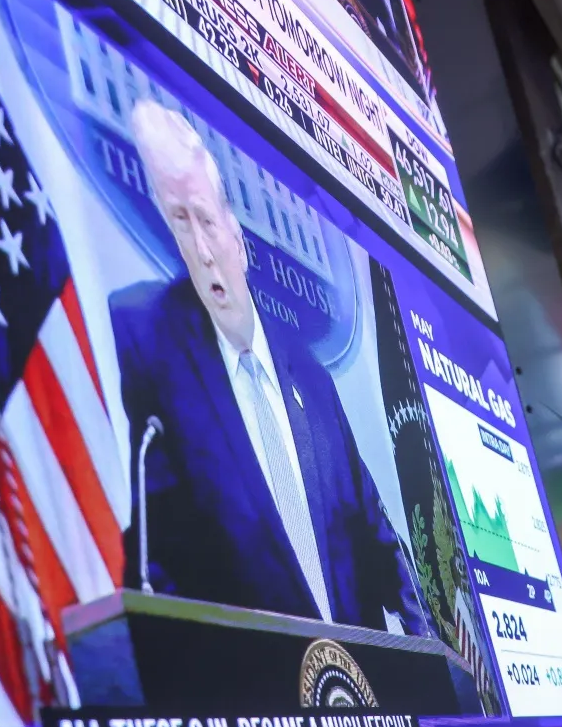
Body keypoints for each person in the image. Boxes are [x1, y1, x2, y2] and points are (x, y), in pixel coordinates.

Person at [114, 100, 428, 635]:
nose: (204, 250)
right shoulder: (152, 343)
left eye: (207, 221)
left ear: (238, 237)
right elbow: (156, 552)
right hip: (257, 691)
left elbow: (374, 530)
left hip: (369, 693)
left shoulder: (309, 373)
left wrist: (435, 658)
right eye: (180, 222)